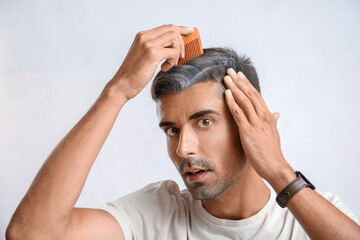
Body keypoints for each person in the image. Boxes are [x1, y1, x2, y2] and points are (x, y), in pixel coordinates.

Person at [6, 24, 360, 240]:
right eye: (171, 129)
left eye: (204, 122)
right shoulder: (155, 214)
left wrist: (280, 171)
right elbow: (30, 234)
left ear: (250, 121)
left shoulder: (313, 217)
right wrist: (117, 91)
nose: (182, 149)